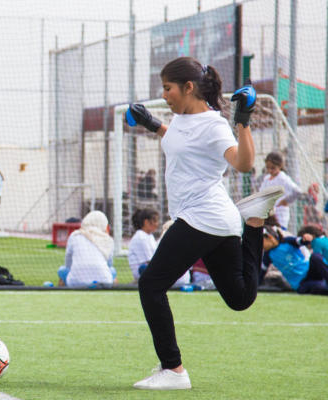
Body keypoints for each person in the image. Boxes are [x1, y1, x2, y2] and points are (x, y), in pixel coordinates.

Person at [124, 56, 285, 390]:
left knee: (151, 284)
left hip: (202, 216)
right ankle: (254, 221)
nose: (164, 94)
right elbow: (181, 142)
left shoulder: (214, 125)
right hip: (219, 219)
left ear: (188, 87)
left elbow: (242, 163)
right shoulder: (180, 118)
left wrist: (243, 120)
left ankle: (174, 370)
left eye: (168, 88)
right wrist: (151, 122)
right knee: (240, 298)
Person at [57, 211, 117, 288]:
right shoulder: (108, 240)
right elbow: (109, 264)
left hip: (75, 282)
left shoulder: (75, 235)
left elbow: (68, 263)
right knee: (112, 270)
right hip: (104, 281)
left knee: (62, 270)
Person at [263, 226, 328, 295]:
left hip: (310, 271)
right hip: (302, 283)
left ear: (269, 237)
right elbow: (260, 273)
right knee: (321, 287)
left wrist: (306, 238)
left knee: (315, 256)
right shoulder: (268, 255)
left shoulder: (287, 241)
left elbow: (301, 241)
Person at [259, 151, 302, 230]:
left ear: (280, 165)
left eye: (272, 168)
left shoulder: (283, 178)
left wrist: (286, 201)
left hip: (280, 216)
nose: (269, 170)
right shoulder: (266, 179)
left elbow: (298, 191)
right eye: (268, 167)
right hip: (268, 217)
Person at [128, 208, 159, 282]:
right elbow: (149, 260)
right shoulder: (141, 236)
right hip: (141, 270)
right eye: (155, 221)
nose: (157, 224)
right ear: (147, 222)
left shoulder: (149, 235)